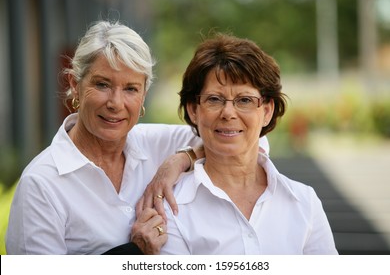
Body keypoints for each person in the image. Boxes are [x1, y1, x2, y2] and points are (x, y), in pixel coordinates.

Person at [5, 19, 205, 255]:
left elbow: (250, 144)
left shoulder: (157, 144)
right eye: (102, 85)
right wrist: (134, 251)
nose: (115, 103)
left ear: (143, 95)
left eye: (131, 89)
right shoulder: (41, 184)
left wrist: (180, 159)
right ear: (75, 84)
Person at [160, 33, 338, 255]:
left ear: (266, 111)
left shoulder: (304, 202)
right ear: (193, 110)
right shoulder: (170, 208)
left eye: (244, 100)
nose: (228, 113)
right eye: (214, 99)